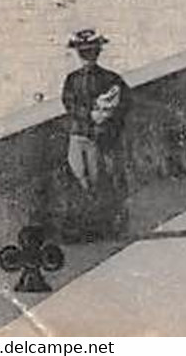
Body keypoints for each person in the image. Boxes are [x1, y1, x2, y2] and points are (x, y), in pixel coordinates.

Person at [60, 29, 130, 241]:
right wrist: (91, 115)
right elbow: (69, 104)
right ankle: (88, 227)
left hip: (101, 139)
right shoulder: (72, 79)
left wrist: (107, 124)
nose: (87, 57)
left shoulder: (111, 79)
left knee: (102, 181)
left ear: (97, 53)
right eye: (83, 53)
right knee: (80, 179)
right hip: (79, 136)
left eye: (91, 52)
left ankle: (106, 226)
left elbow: (124, 105)